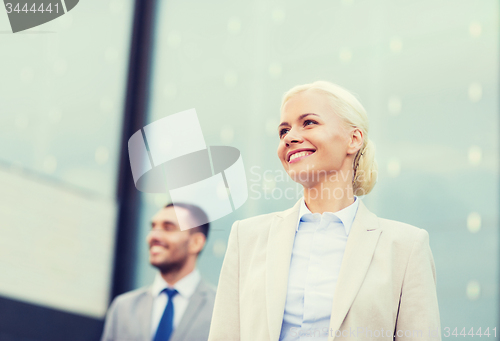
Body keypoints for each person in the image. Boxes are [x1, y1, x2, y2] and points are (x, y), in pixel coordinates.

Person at [208, 81, 441, 341]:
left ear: (354, 139)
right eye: (283, 130)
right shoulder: (246, 237)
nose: (289, 138)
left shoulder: (406, 247)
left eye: (308, 123)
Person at [101, 202, 216, 341]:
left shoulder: (220, 309)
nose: (153, 236)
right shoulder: (123, 308)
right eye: (153, 227)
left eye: (168, 228)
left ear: (196, 242)